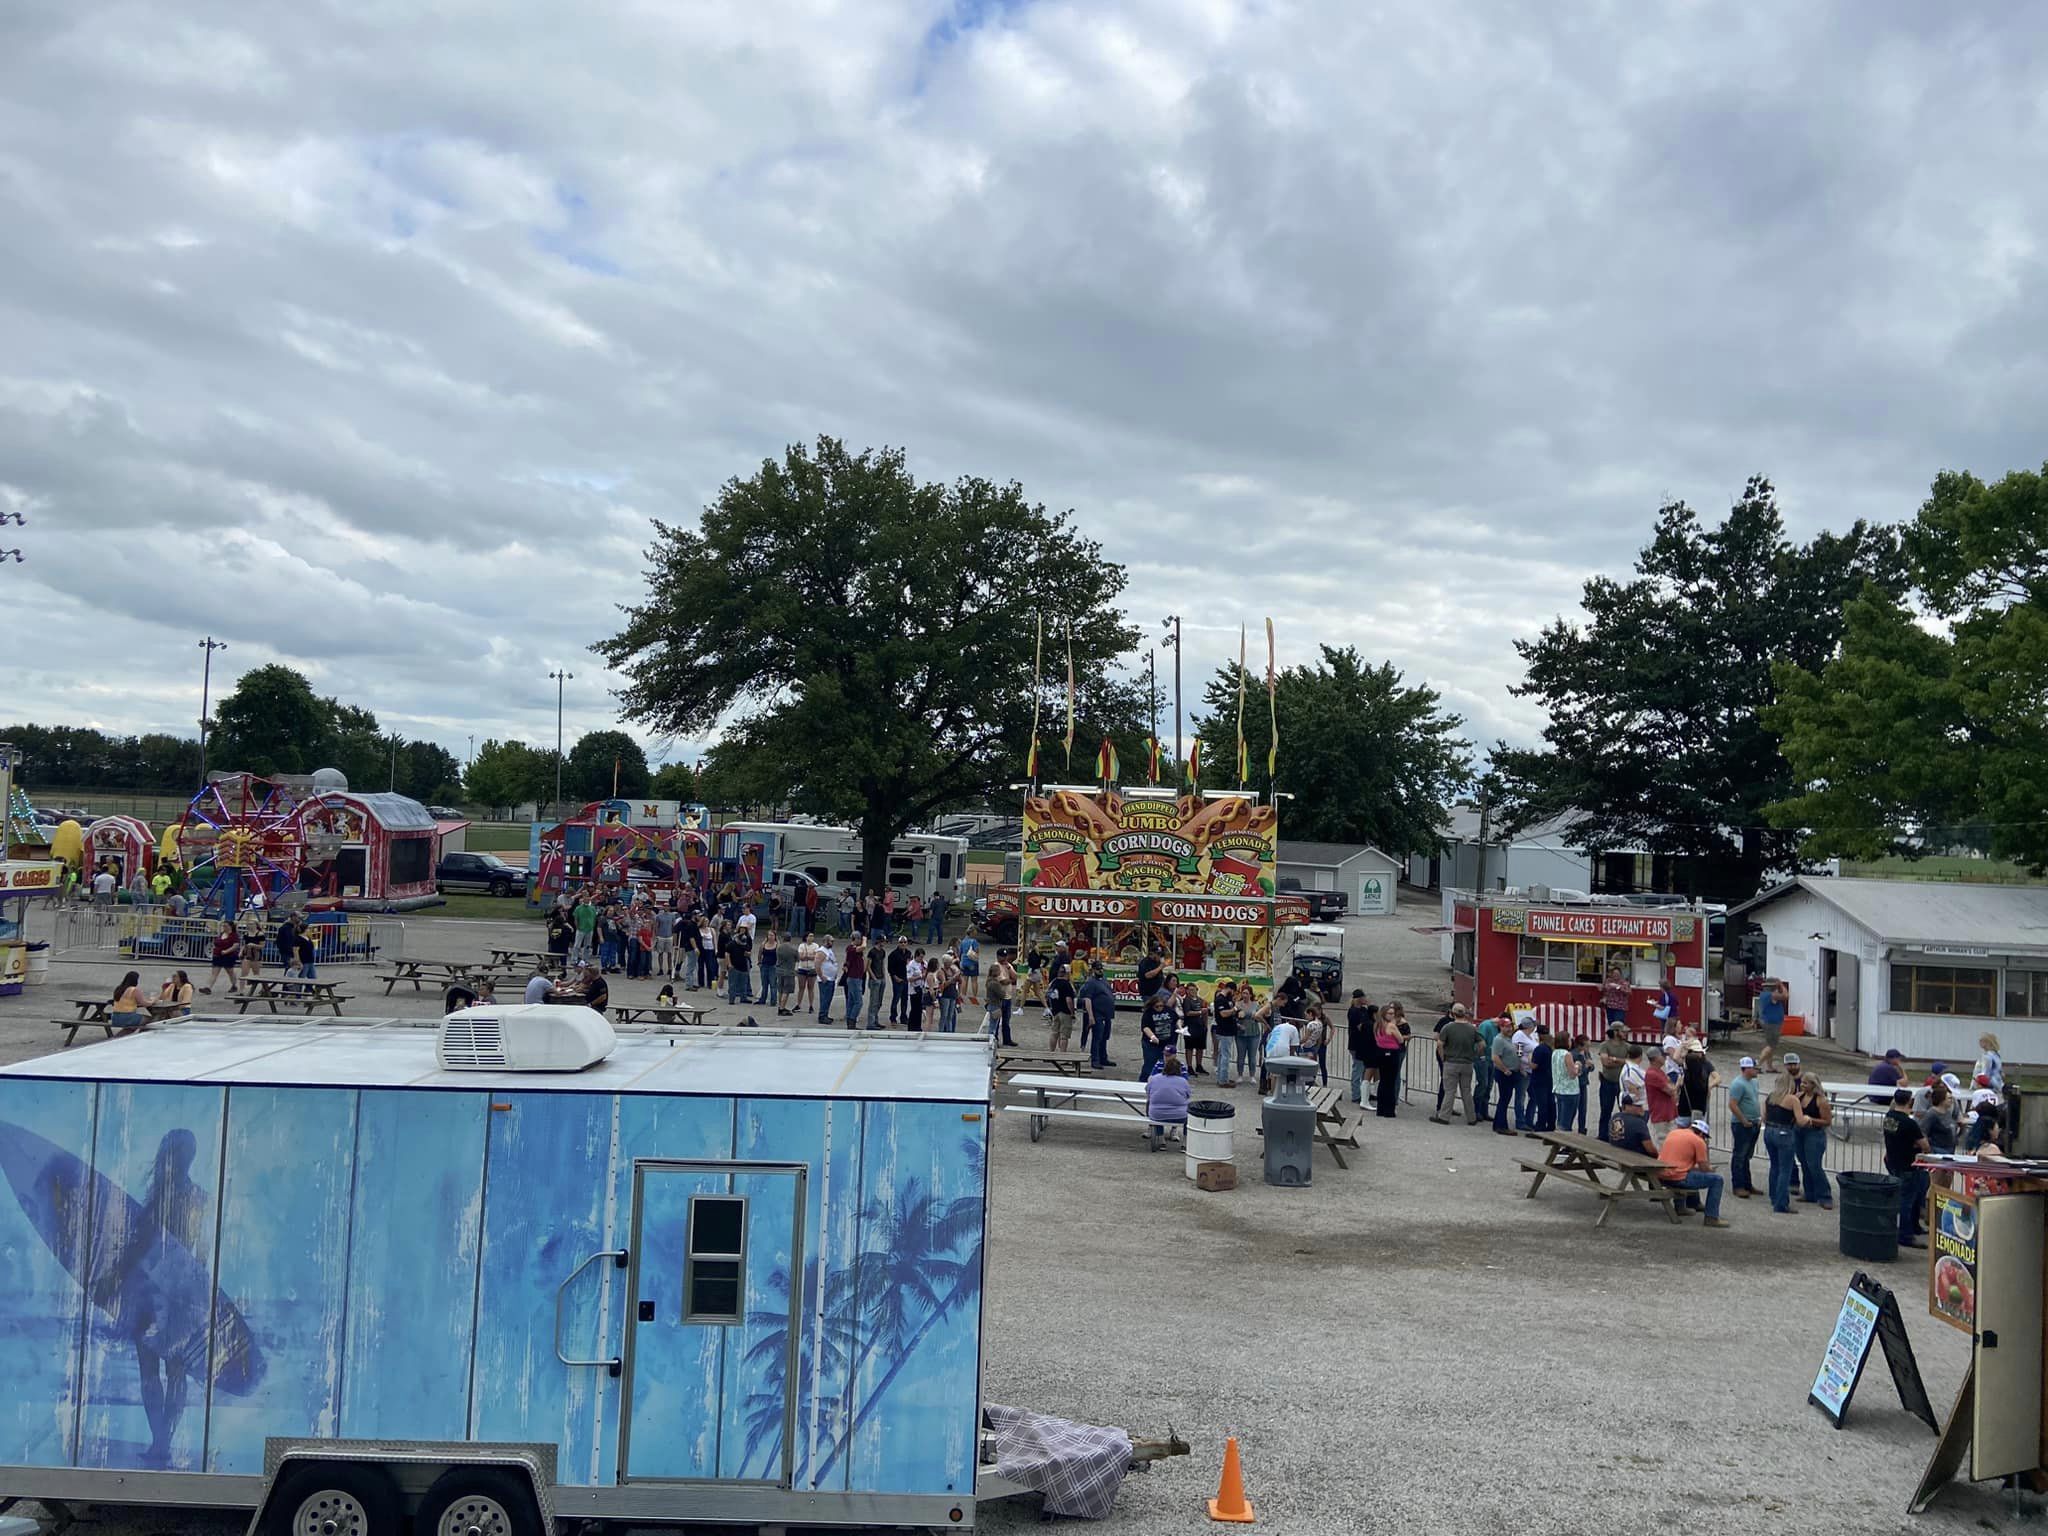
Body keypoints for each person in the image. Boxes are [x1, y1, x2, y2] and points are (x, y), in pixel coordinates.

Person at [1659, 1114, 1729, 1227]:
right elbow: (1704, 1168)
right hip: (1676, 1178)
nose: (1704, 1140)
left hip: (1661, 1175)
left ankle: (1682, 1207)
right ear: (1701, 1134)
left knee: (1689, 1172)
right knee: (1717, 1180)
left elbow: (1680, 1162)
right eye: (1705, 1137)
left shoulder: (1674, 1133)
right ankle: (1711, 1217)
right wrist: (1711, 1169)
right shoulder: (1698, 1141)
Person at [1884, 1088, 1930, 1249]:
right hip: (1908, 1165)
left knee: (1909, 1198)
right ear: (1910, 1101)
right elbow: (1925, 1146)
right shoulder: (1909, 1123)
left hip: (1894, 1162)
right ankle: (1905, 1234)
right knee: (1907, 1201)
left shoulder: (1889, 1117)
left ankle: (1913, 1227)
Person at [1763, 1063, 1803, 1214]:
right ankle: (1781, 1204)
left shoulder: (1770, 1097)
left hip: (1769, 1131)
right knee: (1785, 1170)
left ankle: (1774, 1196)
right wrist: (1808, 1119)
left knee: (1774, 1166)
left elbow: (1764, 1116)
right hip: (1785, 1132)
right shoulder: (1793, 1100)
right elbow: (1800, 1120)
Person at [1434, 1007, 1482, 1125]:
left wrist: (1443, 1057)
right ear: (1465, 1014)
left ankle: (1444, 1116)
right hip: (1467, 1063)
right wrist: (1475, 1055)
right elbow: (1482, 1044)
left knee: (1450, 1091)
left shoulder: (1448, 1027)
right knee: (1466, 1091)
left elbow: (1440, 1044)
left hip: (1451, 1062)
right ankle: (1471, 1117)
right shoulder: (1472, 1028)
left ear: (1453, 1013)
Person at [1794, 1069, 1834, 1210]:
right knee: (1804, 1163)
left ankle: (1825, 1195)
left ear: (1813, 1085)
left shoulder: (1821, 1101)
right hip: (1799, 1132)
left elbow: (1827, 1121)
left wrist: (1811, 1120)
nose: (1803, 1085)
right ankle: (1809, 1192)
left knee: (1814, 1165)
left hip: (1814, 1134)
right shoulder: (1799, 1096)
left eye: (1806, 1083)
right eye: (1802, 1082)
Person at [1725, 1057, 1762, 1198]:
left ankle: (1747, 1183)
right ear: (1746, 1068)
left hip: (1753, 1122)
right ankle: (1738, 1185)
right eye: (1754, 1068)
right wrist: (1743, 1120)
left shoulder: (1754, 1082)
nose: (1756, 1070)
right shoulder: (1738, 1084)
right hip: (1742, 1124)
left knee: (1746, 1155)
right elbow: (1732, 1104)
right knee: (1740, 1155)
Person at [1146, 1054, 1192, 1151]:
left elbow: (1148, 1091)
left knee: (1154, 1110)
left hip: (1157, 1114)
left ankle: (1162, 1140)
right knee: (1190, 1115)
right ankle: (1185, 1143)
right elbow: (1188, 1095)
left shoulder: (1154, 1079)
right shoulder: (1183, 1081)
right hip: (1180, 1116)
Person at [1078, 962, 1117, 1068]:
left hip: (1107, 1014)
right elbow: (1087, 999)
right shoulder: (1091, 983)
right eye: (1098, 969)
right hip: (1097, 1014)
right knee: (1097, 1037)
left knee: (1105, 1036)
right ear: (1093, 970)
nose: (1100, 971)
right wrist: (1090, 1016)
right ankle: (1095, 1060)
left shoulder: (1104, 981)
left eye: (1101, 969)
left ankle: (1103, 1058)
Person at [1595, 1022, 1629, 1143]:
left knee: (1625, 1110)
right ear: (1615, 1032)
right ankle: (1602, 1135)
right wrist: (1622, 1061)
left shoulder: (1627, 1046)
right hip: (1607, 1081)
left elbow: (1630, 1062)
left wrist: (1614, 1059)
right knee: (1606, 1110)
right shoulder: (1605, 1045)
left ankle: (1625, 1135)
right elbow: (1605, 1062)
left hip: (1622, 1083)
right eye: (1622, 1031)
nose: (1625, 1033)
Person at [1372, 1005, 1407, 1119]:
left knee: (1383, 1081)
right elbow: (1400, 1039)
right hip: (1391, 1053)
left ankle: (1380, 1108)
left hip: (1380, 1052)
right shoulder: (1391, 1026)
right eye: (1390, 1013)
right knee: (1390, 1082)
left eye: (1393, 1013)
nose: (1392, 1015)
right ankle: (1389, 1110)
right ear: (1384, 1014)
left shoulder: (1377, 1025)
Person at [1489, 1021, 1522, 1136]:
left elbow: (1518, 1053)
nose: (1509, 1029)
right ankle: (1501, 1126)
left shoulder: (1511, 1039)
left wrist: (1520, 1067)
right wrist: (1504, 1069)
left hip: (1514, 1071)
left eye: (1510, 1026)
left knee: (1505, 1099)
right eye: (1506, 1027)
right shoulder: (1499, 1040)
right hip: (1505, 1073)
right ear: (1501, 1027)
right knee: (1504, 1099)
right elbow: (1495, 1057)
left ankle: (1498, 1123)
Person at [1346, 990, 1378, 1106]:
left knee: (1365, 1069)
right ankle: (1356, 1094)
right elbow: (1360, 1026)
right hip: (1356, 1044)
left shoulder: (1364, 1010)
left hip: (1364, 1044)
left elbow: (1372, 1018)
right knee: (1357, 1069)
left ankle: (1365, 1092)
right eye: (1364, 997)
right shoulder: (1353, 1011)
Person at [1211, 979, 1242, 1087]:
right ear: (1230, 989)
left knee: (1222, 1054)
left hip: (1228, 1029)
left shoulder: (1227, 999)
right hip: (1224, 1031)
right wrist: (1234, 1009)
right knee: (1225, 1055)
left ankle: (1222, 1077)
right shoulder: (1220, 999)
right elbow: (1223, 1014)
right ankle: (1223, 1080)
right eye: (1233, 992)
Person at [1643, 1047, 1678, 1142]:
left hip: (1668, 1114)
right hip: (1661, 1116)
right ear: (1656, 1058)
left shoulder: (1660, 1072)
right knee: (1663, 1144)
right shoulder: (1652, 1074)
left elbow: (1671, 1088)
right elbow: (1671, 1090)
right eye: (1663, 1056)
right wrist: (1678, 1083)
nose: (1665, 1058)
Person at [1551, 1031, 1583, 1135]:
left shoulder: (1555, 1052)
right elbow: (1572, 1074)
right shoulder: (1567, 1054)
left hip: (1559, 1088)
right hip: (1570, 1090)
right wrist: (1577, 1065)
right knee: (1567, 1120)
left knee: (1561, 1117)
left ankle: (1560, 1135)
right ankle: (1564, 1140)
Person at [1755, 978, 1788, 1070]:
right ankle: (1757, 1064)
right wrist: (1781, 985)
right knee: (1771, 1045)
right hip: (1772, 1023)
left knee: (1771, 1045)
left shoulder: (1764, 994)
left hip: (1768, 1022)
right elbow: (1785, 996)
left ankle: (1769, 1067)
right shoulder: (1771, 995)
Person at [1178, 981, 1210, 1077]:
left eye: (1193, 989)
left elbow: (1206, 1013)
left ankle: (1199, 1065)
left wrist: (1205, 1025)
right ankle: (1189, 1066)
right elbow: (1187, 1013)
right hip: (1190, 1026)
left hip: (1200, 1026)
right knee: (1189, 1047)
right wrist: (1200, 1012)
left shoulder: (1201, 1000)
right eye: (1190, 990)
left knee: (1200, 1047)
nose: (1192, 991)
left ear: (1197, 990)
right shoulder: (1187, 1000)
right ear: (1187, 991)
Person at [987, 949, 1017, 1046]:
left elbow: (1015, 977)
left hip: (1008, 996)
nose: (1004, 958)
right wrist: (1010, 980)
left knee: (1006, 1020)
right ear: (998, 956)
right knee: (995, 1022)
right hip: (1000, 999)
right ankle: (994, 1040)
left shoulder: (1008, 965)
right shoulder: (996, 966)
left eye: (1005, 956)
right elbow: (1003, 981)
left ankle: (1007, 1039)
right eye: (1002, 956)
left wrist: (1008, 968)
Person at [200, 922, 241, 995]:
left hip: (229, 956)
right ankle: (208, 987)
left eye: (225, 926)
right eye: (223, 926)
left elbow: (236, 946)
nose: (224, 927)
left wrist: (226, 951)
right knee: (214, 973)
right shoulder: (222, 934)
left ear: (230, 927)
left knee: (230, 972)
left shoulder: (234, 935)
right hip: (218, 955)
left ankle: (234, 985)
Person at [1611, 1093, 1657, 1157]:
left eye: (1641, 1105)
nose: (1641, 1108)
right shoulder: (1639, 1123)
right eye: (1637, 1106)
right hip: (1637, 1157)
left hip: (1617, 1154)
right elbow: (1651, 1150)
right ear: (1627, 1106)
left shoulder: (1615, 1117)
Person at [1527, 1025, 1555, 1132]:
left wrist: (1527, 1059)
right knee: (1548, 1102)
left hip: (1538, 1078)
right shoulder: (1549, 1047)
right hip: (1548, 1077)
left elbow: (1518, 1050)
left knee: (1541, 1102)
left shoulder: (1539, 1047)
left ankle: (1539, 1125)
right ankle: (1549, 1124)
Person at [1045, 960, 1077, 1051]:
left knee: (1054, 1032)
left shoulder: (1054, 982)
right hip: (1065, 1012)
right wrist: (1072, 1012)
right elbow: (1069, 1000)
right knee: (1064, 1035)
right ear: (1067, 973)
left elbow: (1048, 995)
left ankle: (1051, 1052)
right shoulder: (1067, 985)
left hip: (1055, 1011)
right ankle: (1062, 1055)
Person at [1678, 1040, 1714, 1119]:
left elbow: (1676, 1057)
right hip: (1698, 1113)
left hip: (1684, 1112)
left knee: (1682, 1130)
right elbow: (1708, 1095)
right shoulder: (1703, 1079)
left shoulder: (1684, 1077)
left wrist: (1682, 1047)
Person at [839, 934, 866, 1028]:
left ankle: (850, 1023)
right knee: (858, 1002)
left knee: (851, 1001)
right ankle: (852, 1019)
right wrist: (865, 939)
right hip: (854, 978)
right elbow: (863, 947)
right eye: (860, 939)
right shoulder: (851, 948)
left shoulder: (854, 949)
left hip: (857, 977)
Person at [109, 970, 146, 1034]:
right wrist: (153, 1001)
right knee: (149, 1020)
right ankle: (141, 1035)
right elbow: (144, 1003)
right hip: (127, 1017)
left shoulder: (119, 988)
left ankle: (120, 1037)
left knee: (133, 1026)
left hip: (115, 1017)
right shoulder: (134, 990)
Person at [886, 938, 912, 1025]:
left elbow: (910, 965)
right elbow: (890, 968)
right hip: (897, 979)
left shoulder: (908, 953)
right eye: (901, 942)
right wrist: (895, 977)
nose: (903, 944)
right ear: (898, 943)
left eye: (905, 942)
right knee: (896, 998)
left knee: (905, 999)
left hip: (905, 978)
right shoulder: (893, 954)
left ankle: (903, 1017)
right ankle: (893, 1017)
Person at [958, 931, 981, 1004]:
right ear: (971, 933)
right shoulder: (974, 941)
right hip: (972, 962)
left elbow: (960, 952)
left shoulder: (963, 941)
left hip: (964, 962)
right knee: (974, 980)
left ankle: (963, 996)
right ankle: (974, 997)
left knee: (964, 980)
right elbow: (977, 951)